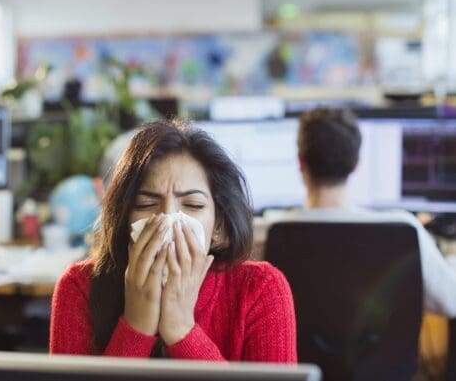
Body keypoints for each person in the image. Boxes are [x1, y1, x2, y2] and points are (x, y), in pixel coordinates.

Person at [50, 120, 297, 361]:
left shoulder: (260, 288)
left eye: (192, 205)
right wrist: (136, 326)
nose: (168, 218)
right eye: (146, 204)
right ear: (124, 218)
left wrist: (181, 329)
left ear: (218, 225)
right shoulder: (79, 286)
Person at [280, 108, 456, 317]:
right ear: (356, 164)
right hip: (388, 351)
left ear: (301, 162)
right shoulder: (402, 229)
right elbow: (450, 303)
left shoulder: (265, 234)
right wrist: (452, 257)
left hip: (295, 351)